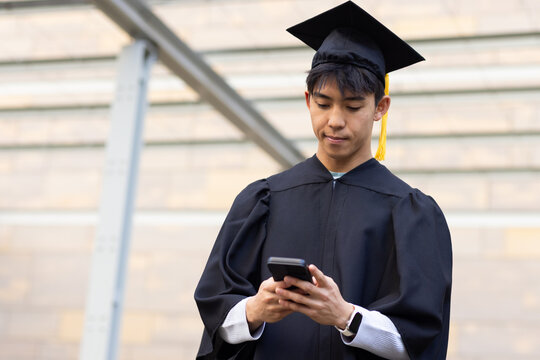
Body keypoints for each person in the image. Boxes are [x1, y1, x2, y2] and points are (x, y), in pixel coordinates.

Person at [194, 1, 452, 359]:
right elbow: (216, 315)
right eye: (323, 102)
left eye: (352, 105)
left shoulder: (410, 212)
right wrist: (254, 311)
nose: (335, 120)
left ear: (380, 108)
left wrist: (346, 317)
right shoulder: (264, 200)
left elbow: (421, 340)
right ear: (307, 101)